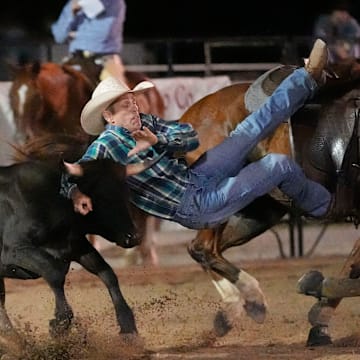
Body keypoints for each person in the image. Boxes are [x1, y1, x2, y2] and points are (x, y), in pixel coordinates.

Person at [61, 39, 334, 232]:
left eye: (132, 100)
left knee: (250, 127)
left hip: (198, 175)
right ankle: (324, 207)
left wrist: (159, 141)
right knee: (278, 165)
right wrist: (74, 194)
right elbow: (71, 174)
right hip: (194, 205)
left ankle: (307, 78)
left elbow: (189, 137)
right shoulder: (105, 146)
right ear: (108, 116)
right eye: (125, 105)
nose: (134, 106)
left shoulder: (146, 122)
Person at [51, 0, 127, 83]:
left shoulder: (113, 2)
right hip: (75, 57)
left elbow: (102, 36)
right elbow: (59, 36)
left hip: (104, 59)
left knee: (115, 89)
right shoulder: (72, 4)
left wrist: (75, 35)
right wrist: (71, 12)